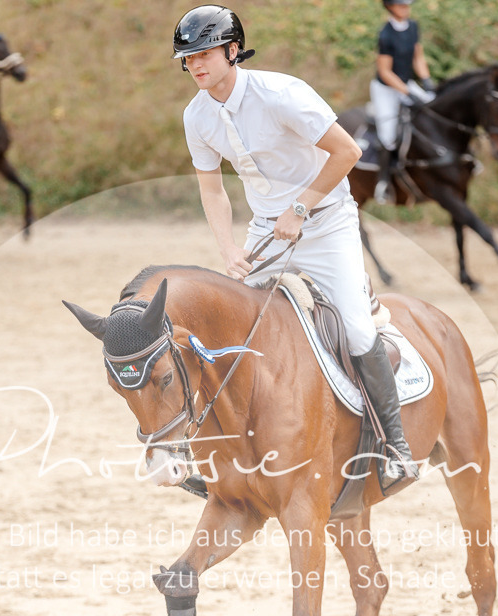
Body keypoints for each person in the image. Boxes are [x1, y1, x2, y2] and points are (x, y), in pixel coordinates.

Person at [173, 4, 418, 489]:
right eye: (188, 58)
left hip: (327, 225)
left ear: (233, 50)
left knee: (356, 330)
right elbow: (212, 191)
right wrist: (229, 250)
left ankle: (395, 446)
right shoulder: (196, 115)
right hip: (266, 232)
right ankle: (211, 454)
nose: (196, 64)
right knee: (226, 331)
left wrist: (301, 208)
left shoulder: (282, 94)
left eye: (205, 54)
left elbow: (348, 151)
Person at [370, 0, 436, 204]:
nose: (406, 9)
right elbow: (385, 72)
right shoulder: (386, 34)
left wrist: (426, 80)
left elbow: (418, 57)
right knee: (388, 135)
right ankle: (383, 182)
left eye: (407, 5)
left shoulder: (413, 26)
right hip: (386, 89)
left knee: (434, 109)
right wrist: (407, 93)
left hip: (407, 83)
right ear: (390, 7)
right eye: (401, 6)